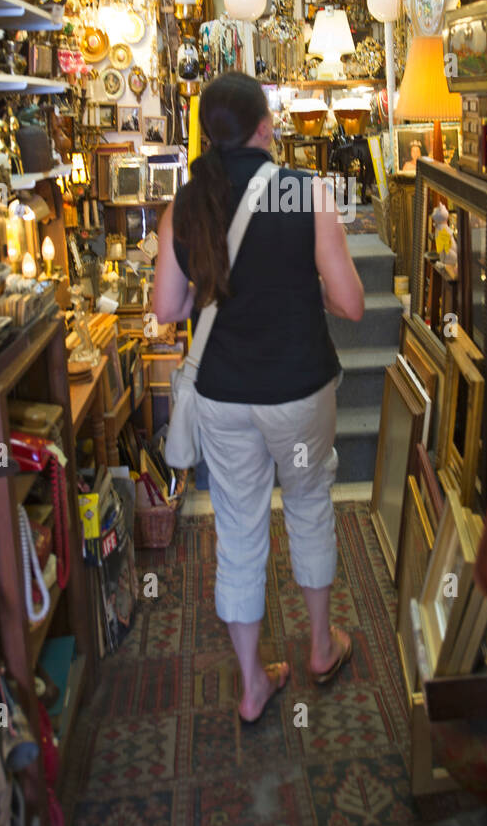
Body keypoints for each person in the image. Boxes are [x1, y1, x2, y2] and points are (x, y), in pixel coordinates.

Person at [153, 72, 364, 723]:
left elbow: (167, 308)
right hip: (298, 388)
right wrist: (307, 287)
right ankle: (321, 647)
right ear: (265, 125)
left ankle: (251, 686)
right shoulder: (307, 192)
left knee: (238, 529)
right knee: (306, 505)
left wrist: (205, 291)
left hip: (221, 393)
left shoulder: (185, 203)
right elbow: (352, 304)